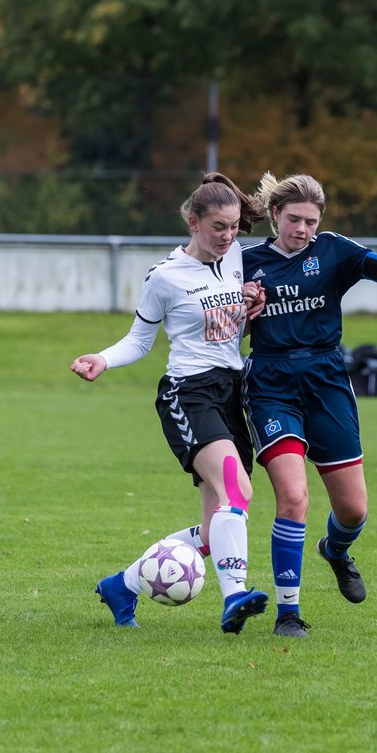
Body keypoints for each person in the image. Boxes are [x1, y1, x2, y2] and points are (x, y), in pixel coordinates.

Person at [241, 172, 377, 638]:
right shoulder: (243, 262)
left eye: (311, 221)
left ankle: (335, 550)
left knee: (354, 510)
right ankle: (288, 612)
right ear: (275, 215)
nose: (302, 229)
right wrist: (240, 307)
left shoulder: (332, 249)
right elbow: (221, 325)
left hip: (327, 380)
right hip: (271, 383)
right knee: (294, 496)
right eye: (294, 219)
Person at [72, 173, 272, 634]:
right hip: (190, 394)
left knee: (211, 531)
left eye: (234, 226)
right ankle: (235, 595)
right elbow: (141, 340)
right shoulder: (164, 276)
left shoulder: (236, 257)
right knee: (237, 492)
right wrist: (102, 359)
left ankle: (121, 585)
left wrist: (249, 307)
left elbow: (227, 331)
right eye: (218, 226)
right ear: (192, 221)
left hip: (231, 393)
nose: (227, 236)